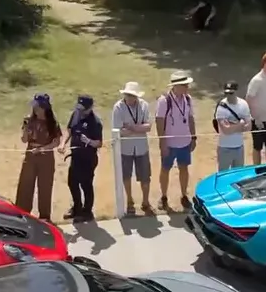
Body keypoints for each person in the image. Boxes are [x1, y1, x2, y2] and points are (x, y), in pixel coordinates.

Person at [155, 71, 198, 209]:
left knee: (184, 168)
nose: (187, 87)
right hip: (169, 143)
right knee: (165, 169)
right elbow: (159, 121)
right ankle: (163, 196)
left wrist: (193, 137)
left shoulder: (188, 99)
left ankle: (184, 195)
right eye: (185, 85)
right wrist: (163, 142)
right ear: (176, 86)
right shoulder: (164, 101)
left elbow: (190, 118)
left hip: (184, 141)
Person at [17, 93, 61, 220]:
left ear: (44, 108)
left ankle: (45, 216)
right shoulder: (29, 120)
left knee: (45, 186)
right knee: (26, 184)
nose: (35, 110)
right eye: (34, 107)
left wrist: (42, 149)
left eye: (38, 107)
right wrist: (25, 130)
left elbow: (56, 142)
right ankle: (23, 213)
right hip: (30, 155)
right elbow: (24, 140)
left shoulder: (52, 123)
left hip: (46, 156)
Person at [113, 82, 155, 215]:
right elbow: (119, 131)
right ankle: (130, 201)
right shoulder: (118, 107)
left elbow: (148, 127)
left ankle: (146, 202)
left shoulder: (144, 105)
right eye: (128, 95)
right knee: (126, 176)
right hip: (125, 148)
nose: (130, 98)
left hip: (142, 147)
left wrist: (131, 127)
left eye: (132, 95)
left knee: (145, 176)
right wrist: (139, 128)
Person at [63, 95, 104, 220]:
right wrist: (63, 143)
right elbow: (69, 130)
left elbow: (99, 143)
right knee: (72, 183)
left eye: (83, 109)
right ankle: (77, 208)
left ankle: (87, 212)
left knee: (86, 184)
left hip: (88, 159)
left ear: (90, 108)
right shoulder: (75, 114)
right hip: (75, 157)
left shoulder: (95, 122)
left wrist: (89, 141)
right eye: (79, 108)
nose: (81, 111)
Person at [214, 82, 252, 171]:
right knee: (223, 176)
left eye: (231, 93)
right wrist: (240, 124)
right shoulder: (221, 106)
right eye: (226, 93)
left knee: (238, 176)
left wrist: (232, 126)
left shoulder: (243, 104)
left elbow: (249, 127)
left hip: (239, 147)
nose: (229, 96)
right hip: (225, 148)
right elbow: (225, 130)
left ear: (236, 91)